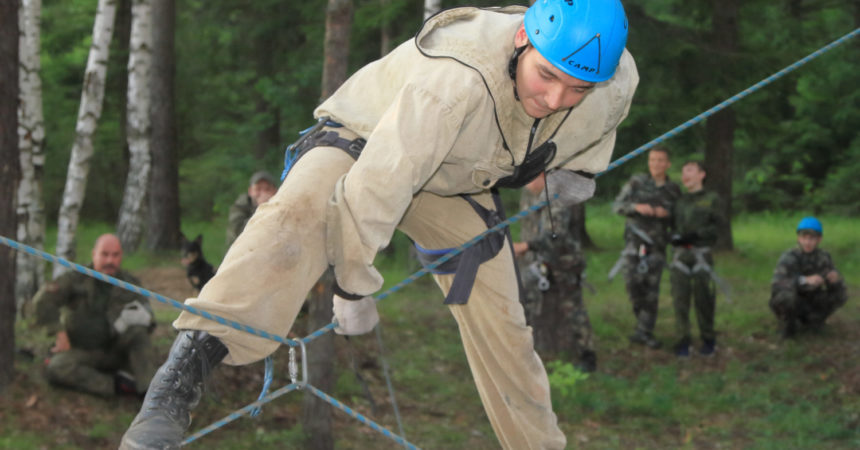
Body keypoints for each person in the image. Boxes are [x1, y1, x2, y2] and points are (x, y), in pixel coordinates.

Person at [121, 1, 638, 448]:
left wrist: (576, 169)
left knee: (503, 319)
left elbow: (593, 126)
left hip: (451, 185)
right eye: (546, 76)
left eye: (576, 89)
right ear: (524, 37)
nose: (554, 99)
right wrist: (351, 286)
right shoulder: (455, 82)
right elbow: (377, 185)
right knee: (291, 220)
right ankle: (182, 377)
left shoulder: (613, 82)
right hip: (364, 144)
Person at [31, 234, 156, 398]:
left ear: (121, 256)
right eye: (104, 254)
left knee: (139, 334)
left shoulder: (130, 284)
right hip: (80, 350)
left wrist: (139, 320)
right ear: (94, 254)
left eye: (115, 255)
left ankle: (152, 394)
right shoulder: (76, 278)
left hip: (116, 351)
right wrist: (59, 333)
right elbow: (43, 301)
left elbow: (149, 320)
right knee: (57, 367)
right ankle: (117, 386)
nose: (110, 260)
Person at [514, 172, 596, 372]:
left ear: (543, 177)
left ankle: (587, 355)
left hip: (564, 263)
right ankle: (524, 355)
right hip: (537, 263)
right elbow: (528, 228)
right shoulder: (528, 196)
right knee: (526, 306)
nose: (528, 182)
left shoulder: (557, 199)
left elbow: (555, 235)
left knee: (573, 309)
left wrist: (525, 246)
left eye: (532, 177)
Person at [611, 146, 680, 349]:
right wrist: (636, 207)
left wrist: (666, 214)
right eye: (652, 160)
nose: (655, 164)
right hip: (634, 244)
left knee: (651, 290)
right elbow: (617, 206)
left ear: (667, 164)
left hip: (657, 246)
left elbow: (681, 216)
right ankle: (642, 323)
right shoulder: (637, 182)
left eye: (660, 160)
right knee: (633, 285)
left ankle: (644, 331)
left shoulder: (673, 190)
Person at [669, 161, 723, 357]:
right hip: (681, 256)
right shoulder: (679, 201)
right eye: (683, 172)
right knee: (680, 299)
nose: (685, 175)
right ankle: (682, 340)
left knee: (704, 298)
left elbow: (718, 226)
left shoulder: (711, 199)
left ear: (701, 174)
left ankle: (708, 339)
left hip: (702, 254)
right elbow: (673, 226)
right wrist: (675, 237)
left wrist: (697, 234)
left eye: (690, 171)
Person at [769, 217, 847, 338]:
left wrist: (835, 280)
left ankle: (815, 320)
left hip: (812, 298)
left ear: (819, 239)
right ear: (798, 238)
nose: (807, 242)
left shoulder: (824, 257)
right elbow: (777, 283)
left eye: (812, 238)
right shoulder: (789, 256)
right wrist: (804, 280)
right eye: (804, 238)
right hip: (793, 298)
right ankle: (788, 326)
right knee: (787, 297)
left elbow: (832, 277)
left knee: (841, 292)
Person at [226, 170, 278, 247]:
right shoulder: (240, 206)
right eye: (258, 189)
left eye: (267, 189)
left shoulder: (282, 205)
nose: (262, 193)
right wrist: (263, 208)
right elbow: (238, 231)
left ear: (275, 191)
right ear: (250, 191)